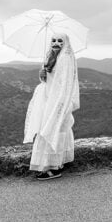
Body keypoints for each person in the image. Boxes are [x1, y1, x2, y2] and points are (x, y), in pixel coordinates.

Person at [23, 32, 80, 180]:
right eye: (53, 40)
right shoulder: (52, 57)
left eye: (60, 41)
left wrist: (60, 104)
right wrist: (42, 75)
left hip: (58, 101)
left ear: (65, 43)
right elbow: (50, 80)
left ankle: (50, 167)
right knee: (54, 130)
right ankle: (58, 162)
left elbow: (65, 83)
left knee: (50, 131)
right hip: (49, 99)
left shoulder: (66, 58)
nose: (56, 43)